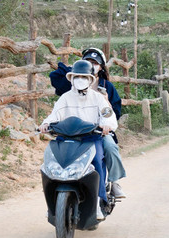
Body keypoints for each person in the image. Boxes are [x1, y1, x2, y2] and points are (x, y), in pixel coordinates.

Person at [40, 59, 118, 220]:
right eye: (77, 77)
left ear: (90, 80)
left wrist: (107, 125)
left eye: (84, 77)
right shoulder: (65, 98)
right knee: (52, 161)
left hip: (91, 139)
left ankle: (98, 202)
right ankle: (52, 204)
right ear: (72, 79)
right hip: (67, 139)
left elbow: (108, 115)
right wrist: (46, 123)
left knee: (97, 161)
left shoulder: (98, 98)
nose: (80, 79)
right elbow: (55, 114)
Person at [50, 47, 127, 199]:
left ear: (101, 67)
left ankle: (114, 182)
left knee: (110, 147)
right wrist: (75, 70)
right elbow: (55, 77)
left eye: (95, 63)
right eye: (88, 62)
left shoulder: (106, 87)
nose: (92, 65)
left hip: (97, 130)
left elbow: (114, 112)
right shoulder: (72, 84)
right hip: (72, 130)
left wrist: (106, 121)